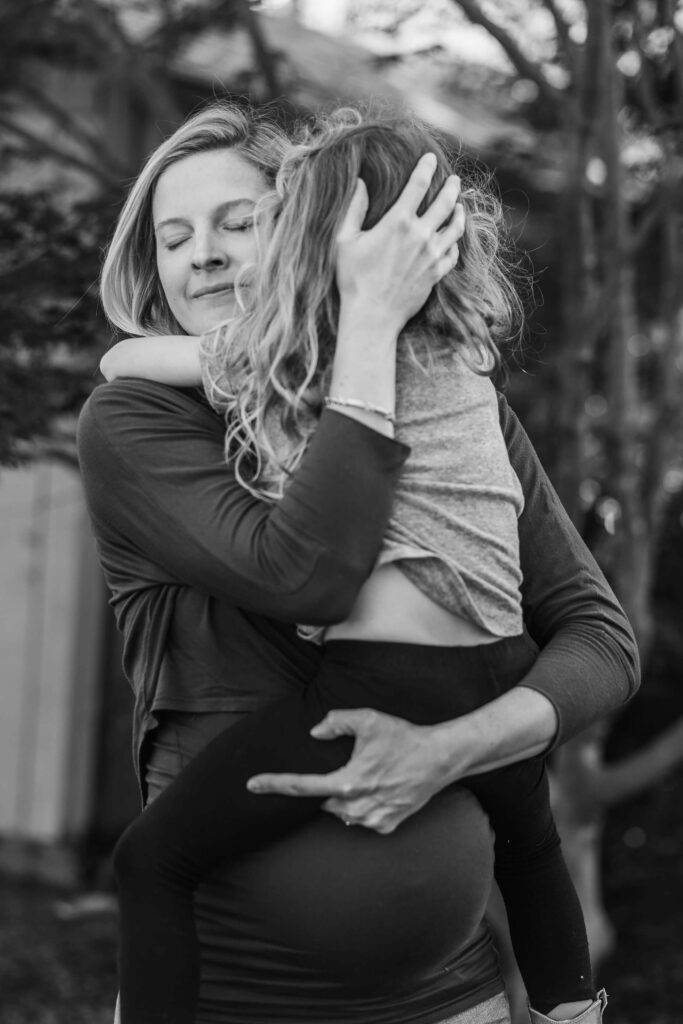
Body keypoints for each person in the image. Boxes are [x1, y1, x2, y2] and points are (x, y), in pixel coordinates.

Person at [77, 102, 638, 1024]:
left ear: (315, 233)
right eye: (173, 238)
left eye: (238, 222)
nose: (201, 255)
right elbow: (307, 575)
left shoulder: (458, 399)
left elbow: (601, 641)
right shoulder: (142, 420)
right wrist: (367, 328)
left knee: (531, 837)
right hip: (238, 997)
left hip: (455, 997)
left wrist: (452, 749)